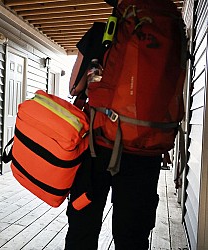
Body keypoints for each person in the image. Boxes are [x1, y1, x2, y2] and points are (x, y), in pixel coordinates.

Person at [65, 0, 164, 249]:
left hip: (97, 148)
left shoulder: (100, 32)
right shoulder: (165, 38)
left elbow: (74, 86)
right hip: (144, 151)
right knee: (133, 236)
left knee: (83, 229)